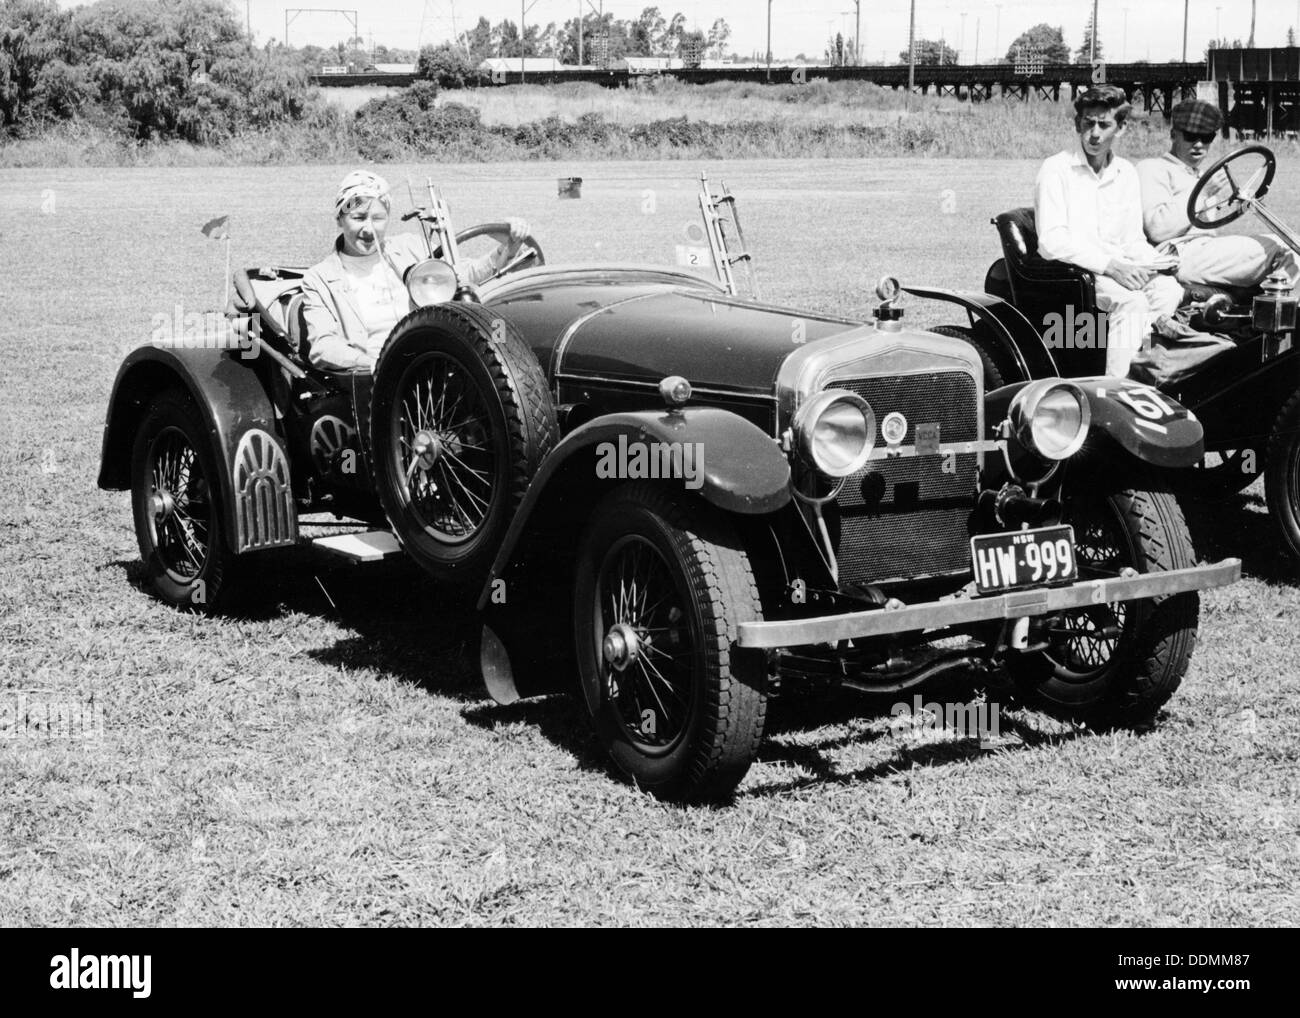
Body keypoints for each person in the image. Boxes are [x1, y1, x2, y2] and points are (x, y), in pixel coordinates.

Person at [301, 170, 531, 371]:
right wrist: (374, 362)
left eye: (378, 218)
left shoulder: (411, 247)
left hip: (433, 359)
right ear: (339, 219)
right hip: (375, 377)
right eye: (358, 218)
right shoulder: (319, 278)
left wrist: (508, 248)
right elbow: (323, 347)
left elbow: (463, 275)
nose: (369, 229)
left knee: (501, 336)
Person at [1035, 85, 1184, 377]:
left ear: (1121, 128)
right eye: (1088, 123)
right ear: (1078, 123)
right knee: (1133, 302)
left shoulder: (1126, 172)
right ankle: (1116, 393)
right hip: (1075, 273)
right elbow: (1052, 241)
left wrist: (1156, 263)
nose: (1094, 133)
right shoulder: (1056, 169)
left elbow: (1131, 239)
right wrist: (1112, 267)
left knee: (1169, 289)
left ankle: (1145, 374)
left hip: (1115, 269)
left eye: (1104, 125)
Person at [1137, 99, 1298, 290]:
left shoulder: (1199, 174)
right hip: (1177, 256)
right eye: (1190, 136)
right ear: (1174, 135)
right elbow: (1158, 229)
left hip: (1205, 252)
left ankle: (1280, 309)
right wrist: (1203, 192)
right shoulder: (1153, 168)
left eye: (1206, 138)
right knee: (1282, 248)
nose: (1198, 145)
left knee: (1293, 243)